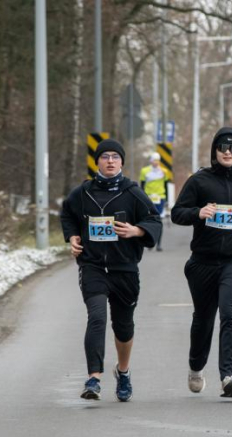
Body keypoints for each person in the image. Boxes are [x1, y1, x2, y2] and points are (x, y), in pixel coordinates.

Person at [60, 139, 162, 402]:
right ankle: (94, 378)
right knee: (97, 317)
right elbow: (67, 214)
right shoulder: (82, 193)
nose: (110, 161)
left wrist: (137, 230)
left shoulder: (133, 192)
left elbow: (153, 220)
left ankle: (124, 372)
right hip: (93, 266)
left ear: (122, 162)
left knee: (123, 327)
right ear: (97, 161)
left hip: (124, 268)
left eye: (115, 157)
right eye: (104, 156)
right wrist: (72, 237)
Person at [171, 128, 232, 398]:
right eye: (222, 147)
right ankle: (196, 366)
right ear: (214, 151)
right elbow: (177, 214)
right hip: (202, 262)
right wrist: (198, 212)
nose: (227, 152)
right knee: (203, 318)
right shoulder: (199, 181)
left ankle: (229, 375)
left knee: (230, 313)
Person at [139, 152, 173, 251]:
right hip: (148, 198)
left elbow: (166, 186)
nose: (156, 162)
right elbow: (142, 185)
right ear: (150, 161)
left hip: (160, 198)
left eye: (157, 160)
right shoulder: (144, 171)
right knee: (148, 220)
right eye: (154, 160)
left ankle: (158, 244)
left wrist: (167, 199)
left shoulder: (164, 171)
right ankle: (149, 241)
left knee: (159, 220)